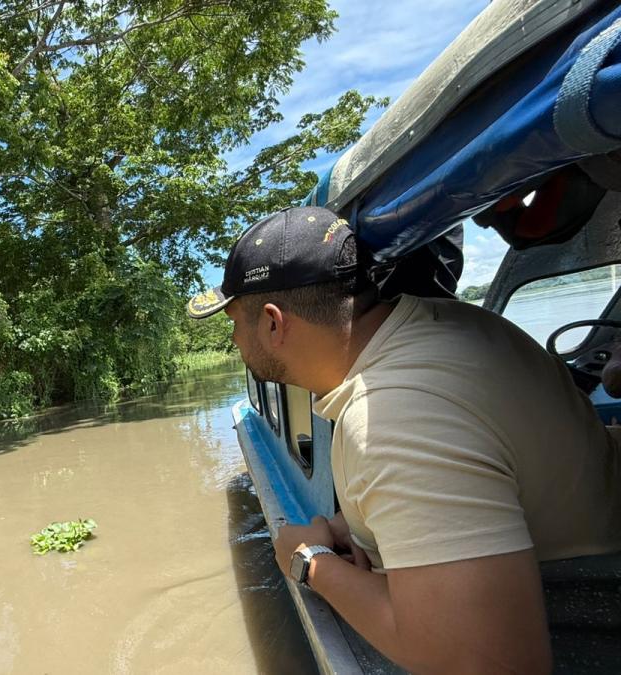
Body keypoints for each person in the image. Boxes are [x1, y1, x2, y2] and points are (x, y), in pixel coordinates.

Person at [187, 206, 621, 674]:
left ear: (273, 323)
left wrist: (308, 560)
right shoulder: (444, 325)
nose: (232, 338)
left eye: (234, 321)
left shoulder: (389, 417)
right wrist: (351, 525)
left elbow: (487, 663)